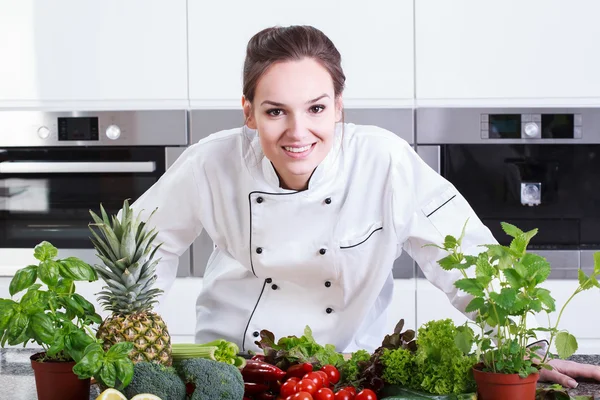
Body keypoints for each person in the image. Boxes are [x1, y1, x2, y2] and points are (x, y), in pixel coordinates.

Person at [129, 25, 600, 389]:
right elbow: (143, 246)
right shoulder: (212, 162)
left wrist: (522, 347)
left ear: (338, 107)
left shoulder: (384, 161)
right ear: (248, 112)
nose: (298, 132)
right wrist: (130, 341)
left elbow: (464, 258)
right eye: (276, 111)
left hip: (350, 373)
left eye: (315, 109)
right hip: (234, 373)